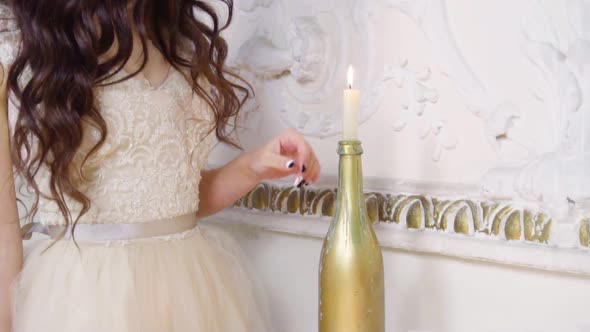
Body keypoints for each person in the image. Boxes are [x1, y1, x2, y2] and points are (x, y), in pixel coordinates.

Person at [0, 0, 321, 331]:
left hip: (189, 288)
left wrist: (255, 166)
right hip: (85, 299)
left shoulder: (176, 38)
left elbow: (172, 199)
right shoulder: (19, 54)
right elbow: (3, 233)